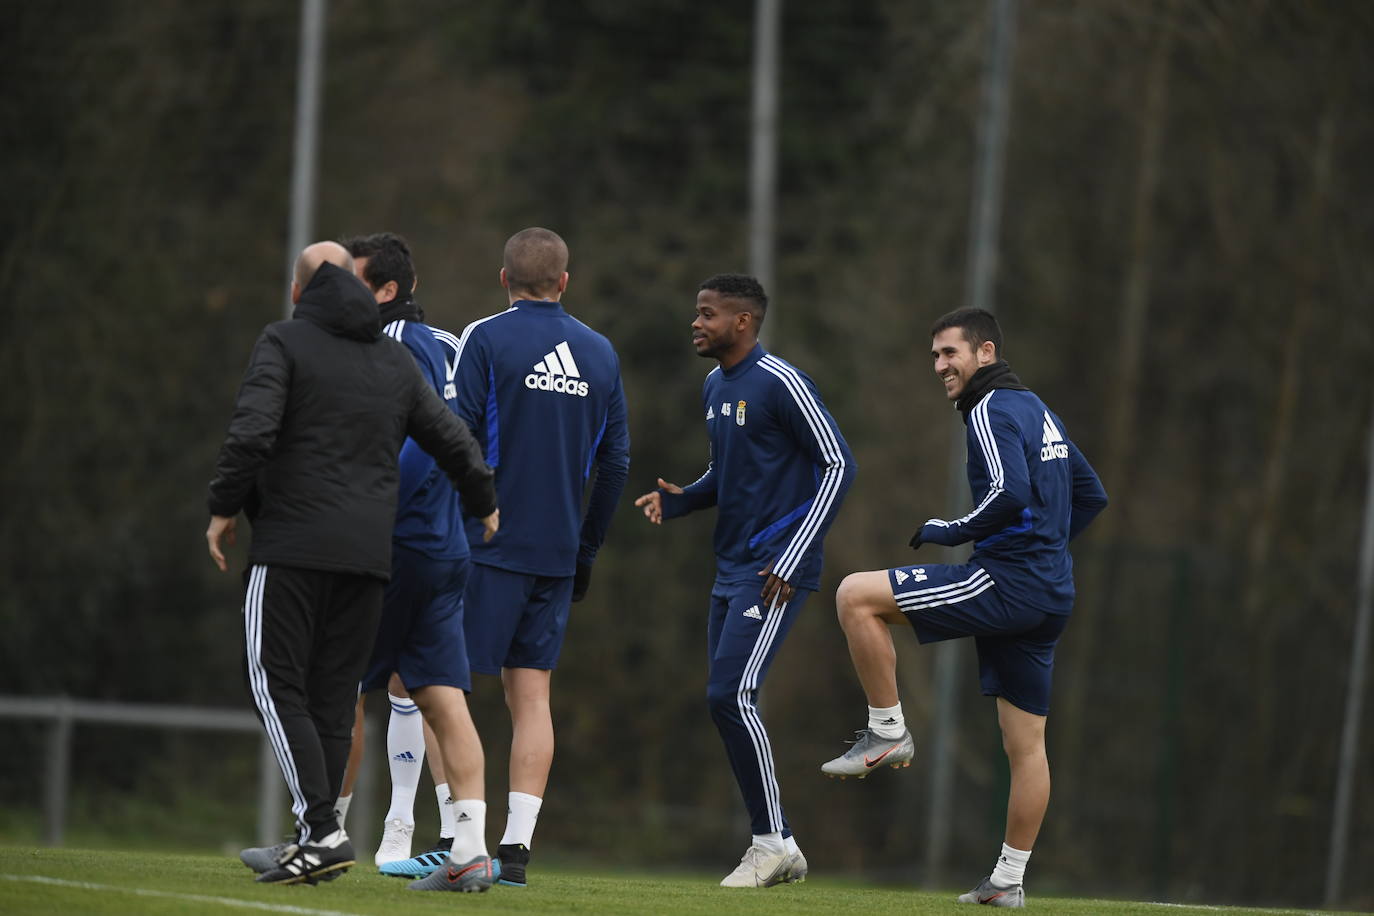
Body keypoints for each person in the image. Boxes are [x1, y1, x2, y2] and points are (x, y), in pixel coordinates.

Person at [206, 241, 499, 887]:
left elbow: (253, 434)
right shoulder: (407, 353)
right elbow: (456, 434)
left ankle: (321, 830)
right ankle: (455, 846)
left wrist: (225, 506)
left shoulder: (292, 342)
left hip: (319, 544)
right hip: (394, 551)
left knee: (290, 686)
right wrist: (482, 498)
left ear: (301, 291)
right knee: (366, 695)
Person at [820, 307, 1107, 908]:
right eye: (934, 355)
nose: (940, 365)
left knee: (854, 596)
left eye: (950, 352)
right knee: (1027, 748)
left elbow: (1010, 492)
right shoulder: (1038, 409)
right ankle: (1007, 881)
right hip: (1051, 592)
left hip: (1009, 583)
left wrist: (952, 529)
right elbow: (1090, 494)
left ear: (986, 352)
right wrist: (1047, 550)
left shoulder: (991, 408)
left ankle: (886, 732)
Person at [381, 227, 629, 887]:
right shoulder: (601, 352)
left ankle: (457, 840)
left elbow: (452, 437)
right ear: (564, 281)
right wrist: (586, 549)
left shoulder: (484, 338)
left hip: (483, 545)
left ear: (503, 279)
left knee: (433, 681)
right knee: (532, 696)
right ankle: (515, 853)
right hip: (557, 551)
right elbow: (616, 463)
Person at [633, 273, 855, 888]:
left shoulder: (782, 382)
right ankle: (778, 843)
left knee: (730, 695)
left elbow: (839, 465)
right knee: (724, 701)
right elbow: (727, 473)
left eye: (708, 313)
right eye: (696, 312)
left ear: (743, 321)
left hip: (773, 572)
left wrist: (791, 556)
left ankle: (771, 842)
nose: (696, 322)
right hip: (731, 568)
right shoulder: (714, 385)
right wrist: (681, 500)